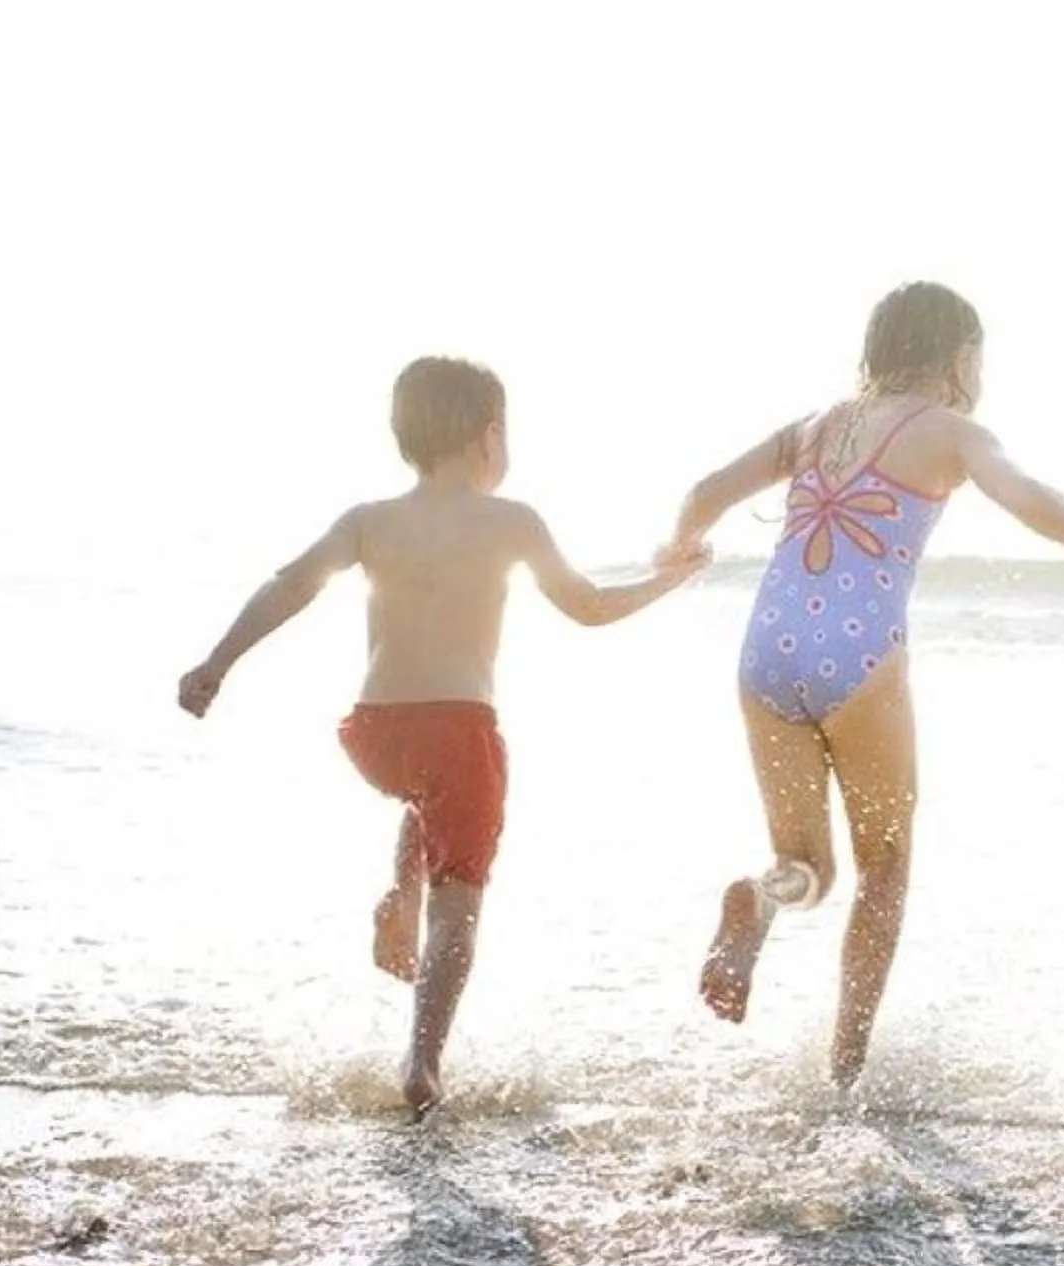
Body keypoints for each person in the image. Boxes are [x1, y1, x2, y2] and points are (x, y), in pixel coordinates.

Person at [177, 356, 705, 1112]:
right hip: (459, 728)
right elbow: (588, 607)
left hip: (374, 732)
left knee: (425, 801)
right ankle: (423, 1061)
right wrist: (672, 581)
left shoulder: (369, 520)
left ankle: (402, 889)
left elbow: (292, 582)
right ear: (491, 437)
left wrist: (216, 662)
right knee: (460, 901)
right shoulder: (513, 521)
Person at [667, 282, 1064, 1087]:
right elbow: (1028, 496)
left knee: (806, 867)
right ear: (959, 356)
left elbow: (705, 495)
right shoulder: (951, 431)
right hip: (858, 657)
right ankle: (843, 1069)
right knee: (883, 868)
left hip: (766, 652)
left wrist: (680, 550)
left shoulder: (817, 427)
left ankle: (761, 895)